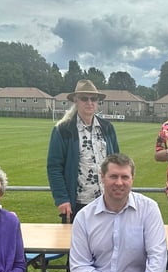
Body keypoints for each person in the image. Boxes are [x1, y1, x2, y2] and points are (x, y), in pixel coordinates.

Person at [47, 79, 120, 223]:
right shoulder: (63, 130)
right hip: (78, 204)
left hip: (106, 201)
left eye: (93, 99)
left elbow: (117, 162)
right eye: (84, 98)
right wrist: (62, 199)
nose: (89, 102)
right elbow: (54, 167)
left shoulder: (107, 128)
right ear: (76, 100)